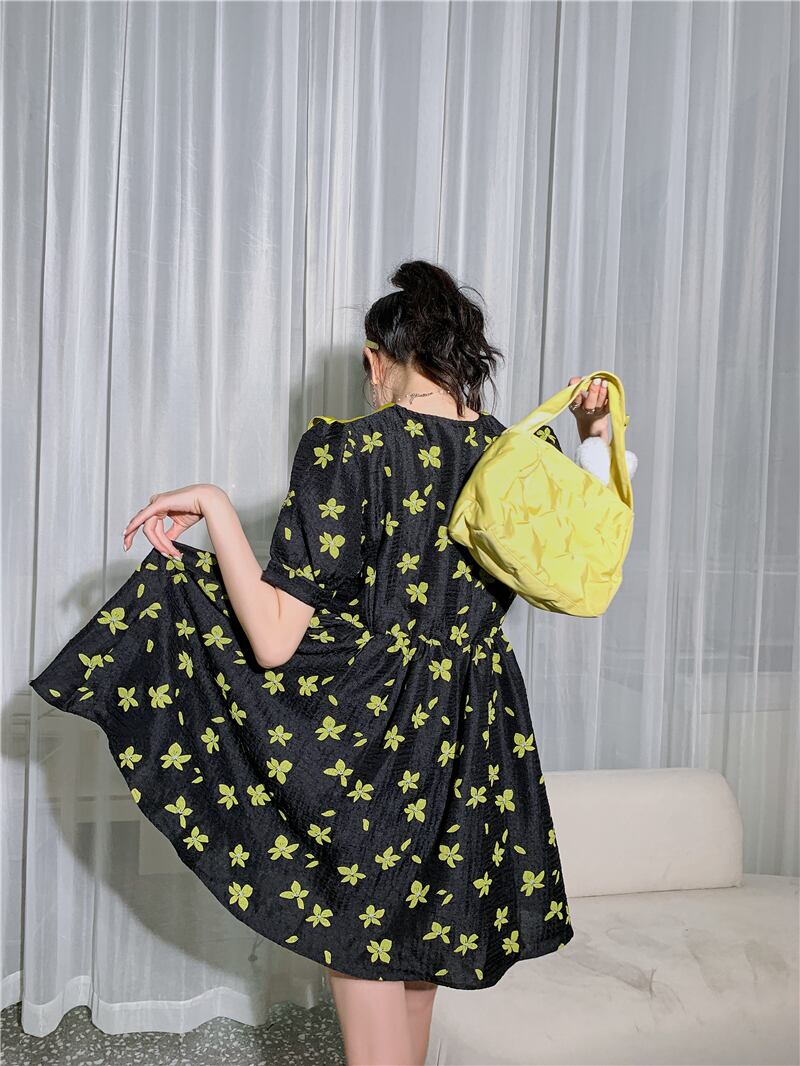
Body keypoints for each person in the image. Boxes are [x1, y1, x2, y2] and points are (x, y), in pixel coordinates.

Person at [29, 259, 636, 1066]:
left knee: (366, 949)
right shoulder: (516, 457)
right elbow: (586, 555)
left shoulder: (356, 451)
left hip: (377, 740)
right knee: (416, 959)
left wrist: (213, 504)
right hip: (477, 734)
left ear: (377, 359)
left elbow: (274, 641)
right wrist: (595, 437)